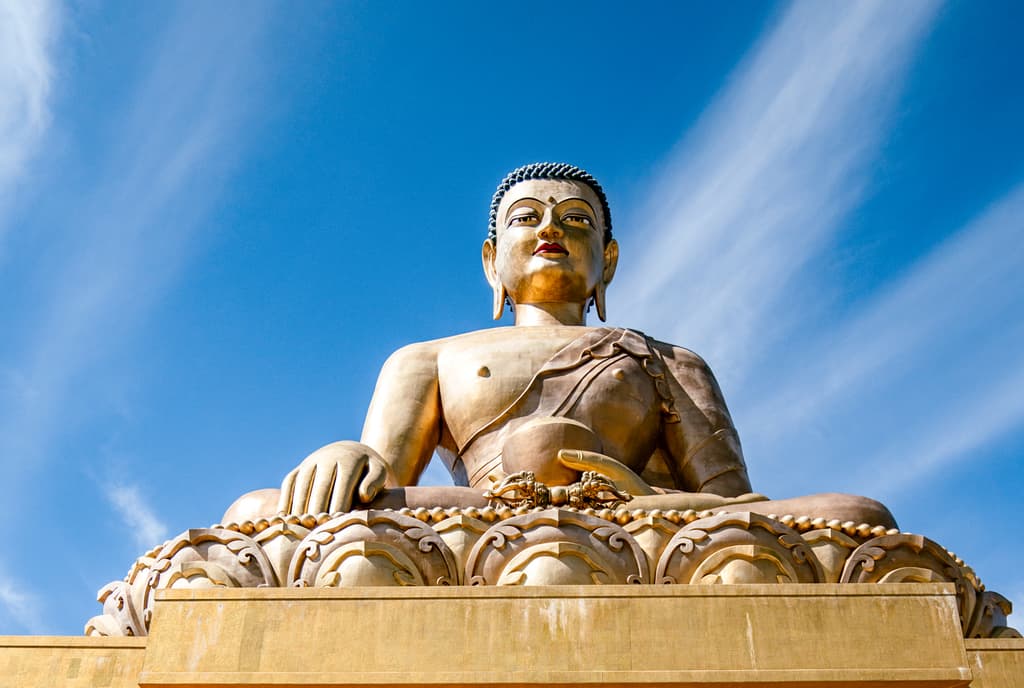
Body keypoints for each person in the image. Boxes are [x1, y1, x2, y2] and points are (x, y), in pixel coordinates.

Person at [225, 163, 895, 529]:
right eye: (528, 217)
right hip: (480, 518)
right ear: (493, 262)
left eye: (575, 221)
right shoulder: (427, 359)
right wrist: (349, 454)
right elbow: (382, 488)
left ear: (607, 262)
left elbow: (739, 510)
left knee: (856, 517)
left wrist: (634, 500)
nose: (551, 229)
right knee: (257, 514)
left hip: (637, 523)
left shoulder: (665, 360)